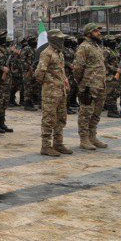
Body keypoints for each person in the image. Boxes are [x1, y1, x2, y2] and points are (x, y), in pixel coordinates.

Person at [34, 28, 70, 156]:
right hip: (50, 93)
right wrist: (49, 84)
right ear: (54, 39)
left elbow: (60, 70)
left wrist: (64, 80)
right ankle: (46, 146)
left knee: (61, 118)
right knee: (49, 119)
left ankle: (58, 143)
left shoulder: (59, 53)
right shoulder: (46, 53)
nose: (62, 41)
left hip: (61, 91)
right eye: (60, 39)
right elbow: (39, 73)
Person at [72, 23, 108, 151]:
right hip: (88, 86)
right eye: (96, 30)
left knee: (96, 112)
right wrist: (82, 83)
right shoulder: (84, 47)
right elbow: (78, 68)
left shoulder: (97, 46)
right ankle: (84, 139)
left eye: (99, 30)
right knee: (86, 112)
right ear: (88, 33)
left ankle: (92, 136)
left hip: (100, 85)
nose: (99, 32)